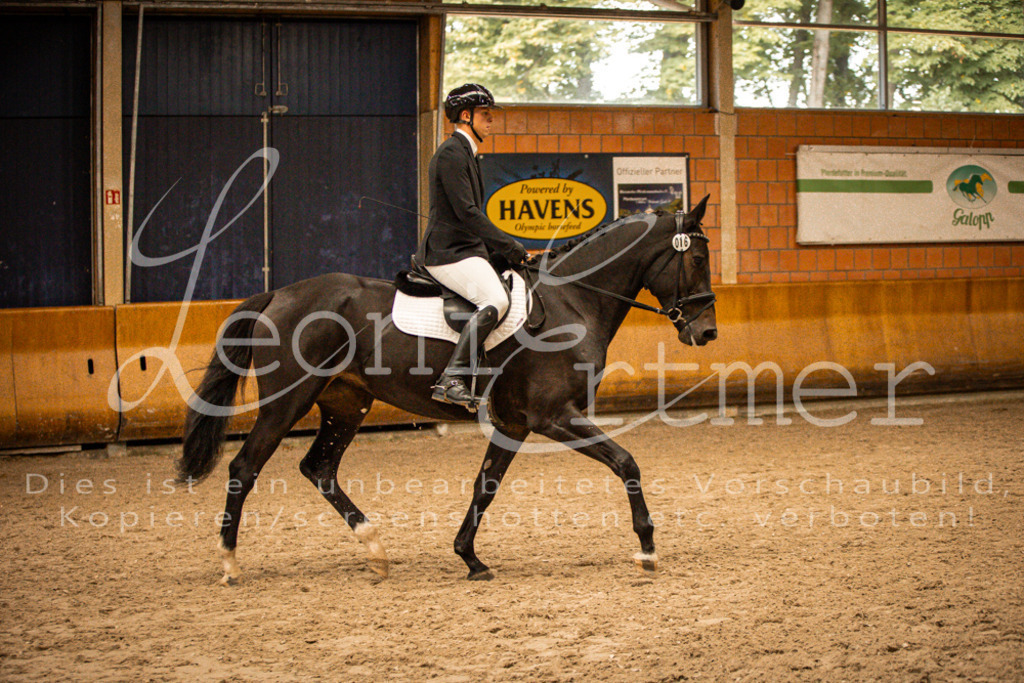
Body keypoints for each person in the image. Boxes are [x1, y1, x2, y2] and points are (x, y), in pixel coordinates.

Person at [413, 83, 528, 409]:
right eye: (485, 115)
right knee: (494, 299)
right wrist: (508, 246)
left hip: (466, 250)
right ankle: (452, 377)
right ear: (466, 116)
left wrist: (498, 254)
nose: (491, 121)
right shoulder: (451, 153)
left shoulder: (468, 155)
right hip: (448, 253)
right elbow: (466, 213)